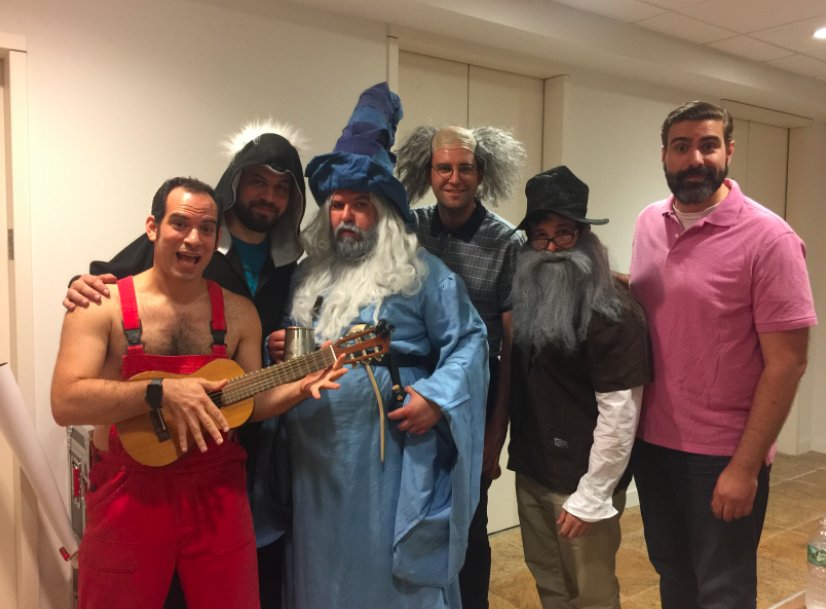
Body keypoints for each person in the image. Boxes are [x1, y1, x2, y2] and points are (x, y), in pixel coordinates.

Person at [50, 177, 342, 609]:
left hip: (217, 492)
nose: (193, 239)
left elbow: (249, 404)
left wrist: (299, 388)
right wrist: (160, 392)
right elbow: (65, 402)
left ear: (216, 237)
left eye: (206, 229)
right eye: (180, 223)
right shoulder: (100, 304)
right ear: (153, 227)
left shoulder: (240, 314)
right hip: (128, 493)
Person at [278, 82, 489, 609]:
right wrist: (276, 349)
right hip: (314, 459)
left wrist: (436, 397)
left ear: (386, 213)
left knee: (380, 574)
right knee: (319, 565)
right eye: (337, 205)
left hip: (387, 458)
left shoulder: (422, 274)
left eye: (361, 205)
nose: (346, 216)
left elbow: (470, 341)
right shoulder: (308, 276)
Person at [629, 101, 817, 609]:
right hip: (652, 443)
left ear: (728, 151)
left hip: (721, 455)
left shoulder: (770, 239)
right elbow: (667, 301)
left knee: (723, 589)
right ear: (664, 155)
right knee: (673, 574)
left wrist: (745, 467)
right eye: (681, 146)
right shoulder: (649, 222)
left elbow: (788, 363)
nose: (695, 158)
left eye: (708, 145)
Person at [506, 166, 650, 609]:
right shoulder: (527, 298)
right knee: (549, 583)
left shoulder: (614, 311)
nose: (551, 248)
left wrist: (592, 495)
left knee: (591, 594)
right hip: (533, 470)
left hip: (581, 481)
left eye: (563, 234)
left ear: (584, 236)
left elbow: (621, 411)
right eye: (540, 236)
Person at [395, 124, 526, 609]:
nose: (454, 178)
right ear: (428, 172)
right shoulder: (409, 228)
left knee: (469, 524)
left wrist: (495, 434)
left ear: (481, 174)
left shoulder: (507, 242)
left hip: (474, 397)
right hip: (411, 391)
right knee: (411, 512)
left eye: (465, 168)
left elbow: (510, 347)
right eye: (444, 168)